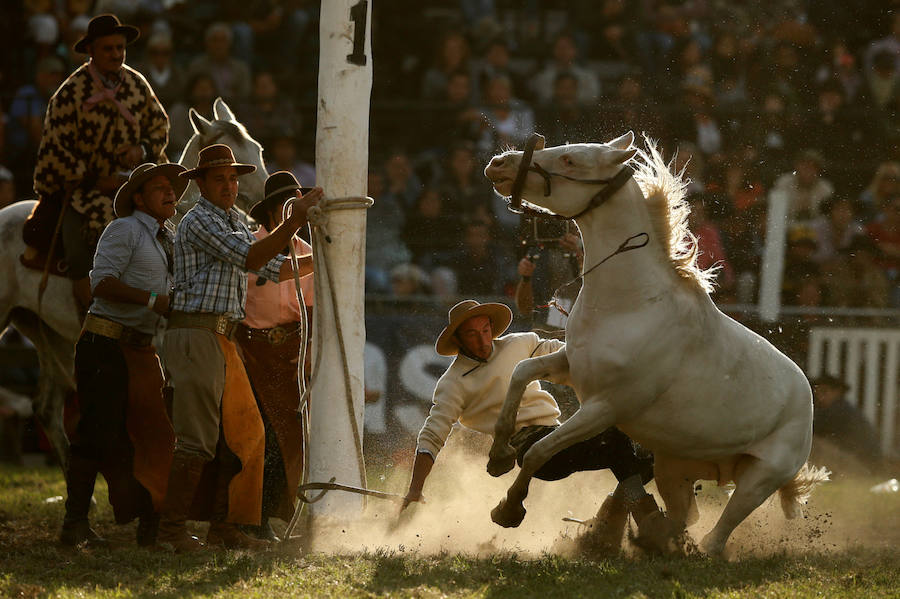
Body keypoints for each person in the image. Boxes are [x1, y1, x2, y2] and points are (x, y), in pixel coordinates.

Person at [156, 144, 322, 552]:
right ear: (202, 184)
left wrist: (326, 258)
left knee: (247, 433)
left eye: (233, 178)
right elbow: (253, 256)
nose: (230, 185)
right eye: (220, 179)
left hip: (220, 334)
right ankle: (171, 531)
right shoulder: (198, 220)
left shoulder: (230, 221)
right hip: (197, 332)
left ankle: (225, 525)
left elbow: (277, 267)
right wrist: (297, 221)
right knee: (198, 438)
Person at [402, 300, 664, 548]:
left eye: (485, 330)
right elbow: (433, 435)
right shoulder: (452, 383)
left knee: (640, 451)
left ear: (492, 327)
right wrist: (415, 490)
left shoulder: (520, 343)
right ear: (458, 339)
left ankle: (607, 526)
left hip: (559, 433)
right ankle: (650, 523)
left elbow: (563, 354)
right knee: (617, 443)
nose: (483, 340)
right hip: (530, 447)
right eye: (472, 334)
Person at [60, 163, 185, 547]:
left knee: (155, 435)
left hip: (141, 347)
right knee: (98, 433)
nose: (171, 194)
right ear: (138, 197)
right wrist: (153, 299)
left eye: (173, 189)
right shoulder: (124, 229)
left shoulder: (171, 236)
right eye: (161, 188)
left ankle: (151, 524)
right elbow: (101, 283)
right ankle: (75, 524)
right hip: (104, 345)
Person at [25, 14, 169, 316]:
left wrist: (141, 149)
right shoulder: (69, 93)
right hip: (84, 193)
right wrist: (94, 180)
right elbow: (54, 149)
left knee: (171, 234)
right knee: (80, 251)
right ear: (91, 51)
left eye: (120, 48)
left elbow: (159, 127)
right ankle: (92, 317)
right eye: (108, 49)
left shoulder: (137, 84)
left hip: (135, 188)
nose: (117, 54)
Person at [235, 171, 315, 542]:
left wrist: (312, 346)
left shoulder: (306, 252)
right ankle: (258, 516)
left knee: (298, 435)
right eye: (289, 206)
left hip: (293, 351)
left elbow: (311, 308)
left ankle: (286, 513)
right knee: (263, 433)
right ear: (272, 211)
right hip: (255, 349)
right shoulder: (251, 248)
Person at [811, 374, 883, 471]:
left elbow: (810, 428)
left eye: (824, 392)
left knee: (813, 442)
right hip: (863, 464)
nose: (820, 397)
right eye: (817, 393)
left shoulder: (837, 410)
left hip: (860, 465)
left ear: (837, 392)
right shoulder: (843, 408)